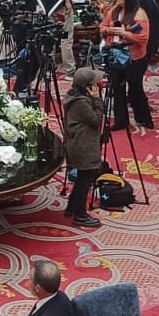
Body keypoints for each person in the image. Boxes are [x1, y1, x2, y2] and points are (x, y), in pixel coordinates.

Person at [102, 0, 153, 132]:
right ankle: (121, 121)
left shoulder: (140, 15)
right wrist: (108, 30)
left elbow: (142, 39)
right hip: (115, 55)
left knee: (135, 89)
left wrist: (124, 33)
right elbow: (102, 26)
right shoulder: (113, 10)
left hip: (134, 58)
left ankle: (143, 119)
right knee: (117, 88)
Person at [62, 66, 104, 228]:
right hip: (84, 146)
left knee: (82, 179)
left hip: (79, 144)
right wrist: (97, 100)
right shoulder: (81, 102)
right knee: (84, 181)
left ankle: (72, 207)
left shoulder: (74, 96)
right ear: (87, 87)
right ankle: (80, 215)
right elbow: (96, 120)